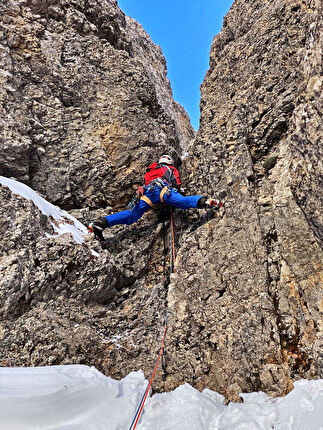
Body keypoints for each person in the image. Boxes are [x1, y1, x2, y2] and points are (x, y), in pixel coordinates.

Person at [88, 154, 223, 240]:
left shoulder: (151, 171)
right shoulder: (170, 169)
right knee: (183, 202)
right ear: (169, 162)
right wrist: (178, 189)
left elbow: (147, 183)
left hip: (148, 193)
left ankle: (101, 223)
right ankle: (206, 202)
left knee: (131, 216)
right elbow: (176, 183)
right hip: (163, 189)